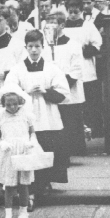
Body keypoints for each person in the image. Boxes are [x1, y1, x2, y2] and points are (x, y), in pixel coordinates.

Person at [6, 30, 70, 207]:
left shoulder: (52, 68)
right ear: (26, 48)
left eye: (37, 46)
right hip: (26, 116)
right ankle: (31, 191)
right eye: (30, 47)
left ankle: (43, 186)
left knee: (47, 148)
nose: (34, 50)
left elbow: (64, 93)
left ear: (43, 47)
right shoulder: (18, 69)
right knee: (29, 151)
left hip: (48, 116)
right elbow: (8, 91)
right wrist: (25, 93)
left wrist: (45, 91)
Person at [0, 84, 37, 218]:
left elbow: (32, 132)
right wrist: (1, 143)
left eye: (15, 104)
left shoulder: (26, 115)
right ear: (3, 104)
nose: (12, 107)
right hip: (8, 151)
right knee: (9, 185)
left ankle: (23, 212)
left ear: (20, 102)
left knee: (23, 184)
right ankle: (8, 215)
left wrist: (31, 142)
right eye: (8, 105)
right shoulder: (0, 116)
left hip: (23, 150)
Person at [43, 12, 85, 159]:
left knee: (69, 122)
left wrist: (61, 86)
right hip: (50, 89)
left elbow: (77, 69)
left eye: (52, 23)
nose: (48, 26)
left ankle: (70, 153)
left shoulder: (73, 45)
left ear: (61, 25)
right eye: (46, 23)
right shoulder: (44, 46)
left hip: (69, 89)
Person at [65, 0, 104, 138]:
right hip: (69, 67)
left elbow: (97, 44)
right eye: (71, 12)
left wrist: (85, 50)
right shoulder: (63, 26)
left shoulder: (87, 26)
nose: (73, 15)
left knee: (89, 102)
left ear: (81, 11)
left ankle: (94, 129)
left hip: (86, 67)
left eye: (76, 12)